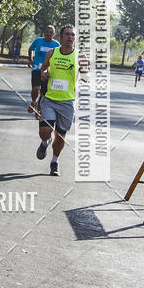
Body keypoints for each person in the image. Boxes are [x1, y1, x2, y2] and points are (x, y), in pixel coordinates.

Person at [35, 24, 87, 176]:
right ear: (61, 37)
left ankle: (54, 162)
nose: (70, 37)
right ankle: (45, 142)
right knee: (45, 131)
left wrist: (85, 74)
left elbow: (85, 76)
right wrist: (43, 73)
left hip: (67, 102)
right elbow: (43, 68)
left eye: (73, 35)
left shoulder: (80, 56)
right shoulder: (52, 53)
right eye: (67, 34)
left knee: (60, 135)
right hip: (50, 99)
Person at [27, 25, 60, 117]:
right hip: (37, 69)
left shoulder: (56, 45)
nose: (49, 34)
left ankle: (39, 110)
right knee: (36, 89)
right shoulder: (38, 41)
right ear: (45, 32)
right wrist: (30, 59)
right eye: (47, 32)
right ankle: (33, 102)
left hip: (48, 72)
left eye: (51, 32)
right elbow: (30, 49)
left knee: (43, 93)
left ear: (54, 33)